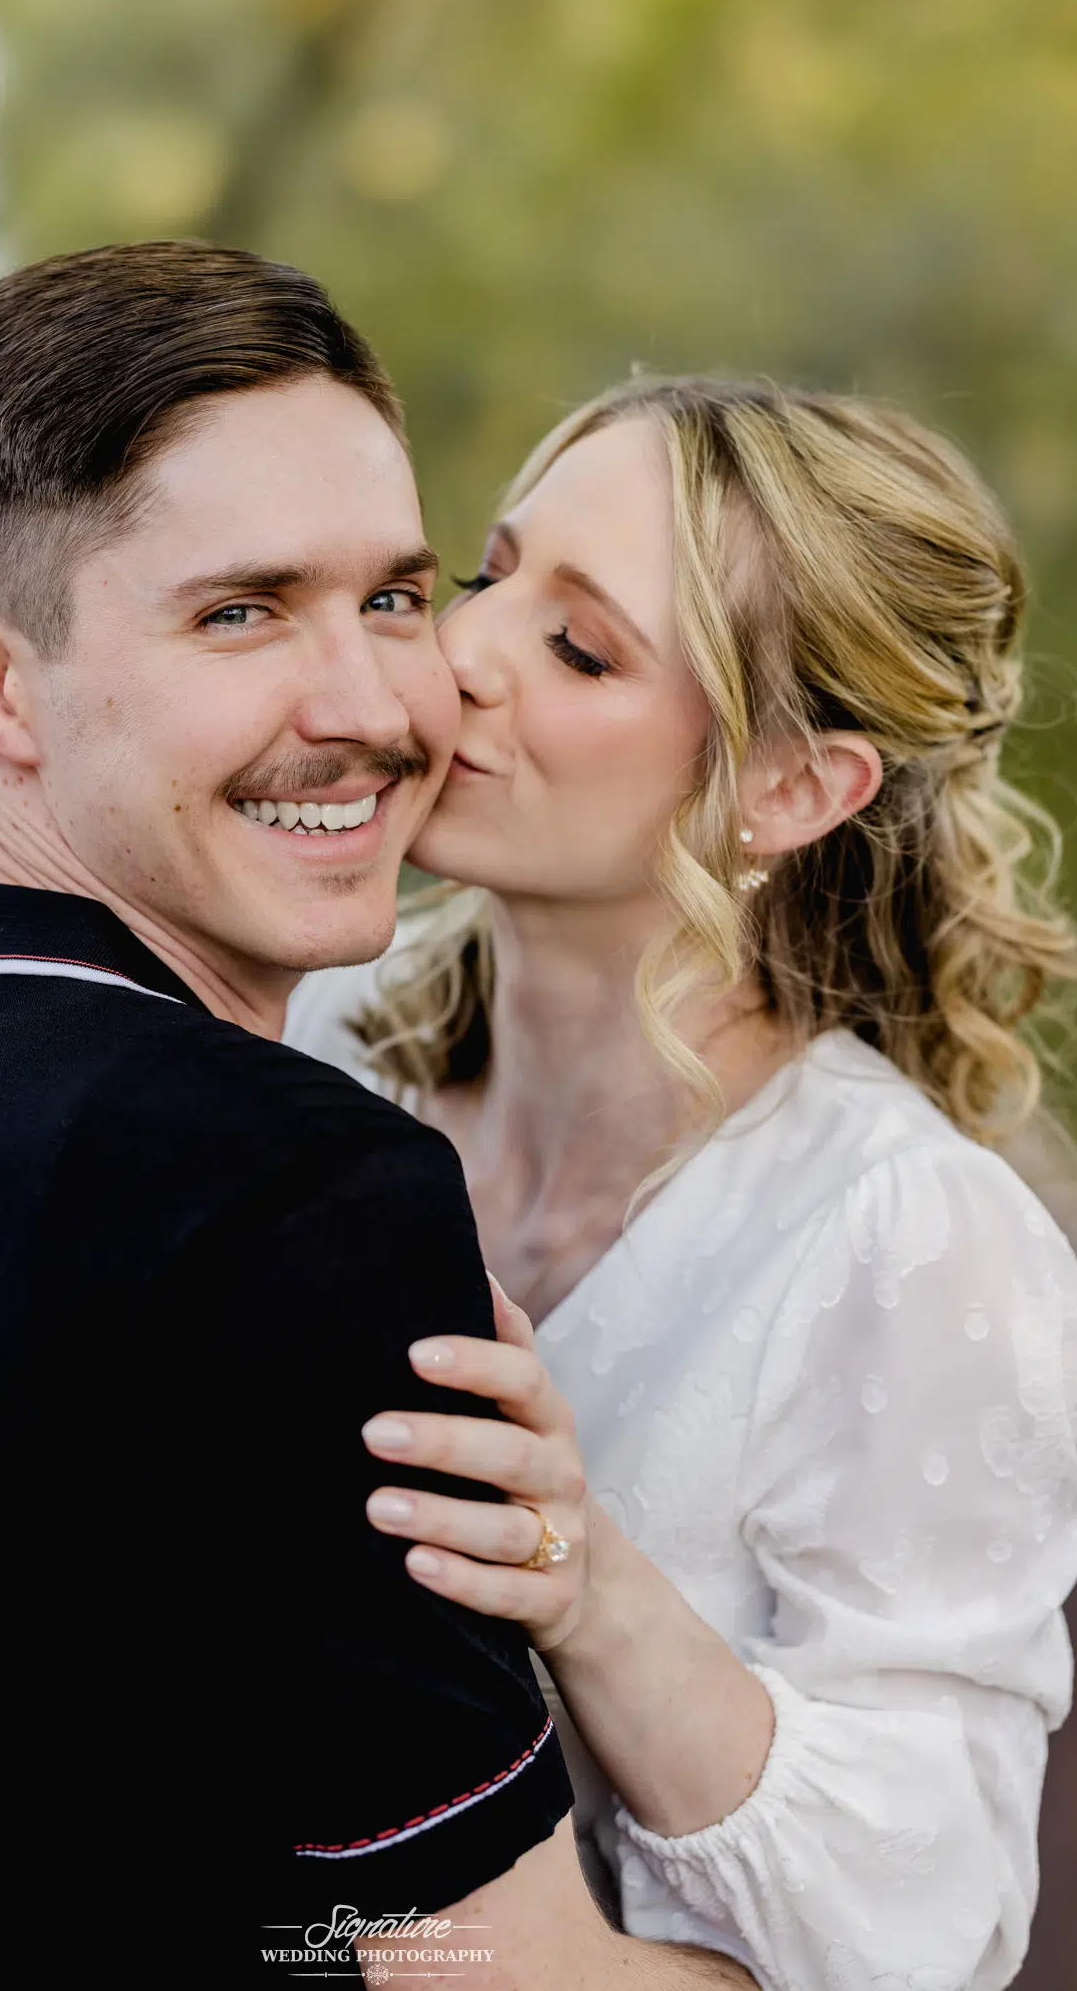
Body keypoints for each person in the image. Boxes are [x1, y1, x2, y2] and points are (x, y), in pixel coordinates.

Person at [0, 249, 756, 1989]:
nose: (374, 710)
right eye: (241, 613)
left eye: (397, 598)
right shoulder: (307, 1187)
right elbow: (464, 1977)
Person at [286, 376, 1077, 1989]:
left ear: (793, 788)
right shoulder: (319, 1041)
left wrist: (585, 1583)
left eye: (581, 648)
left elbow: (936, 1914)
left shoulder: (905, 1233)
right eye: (488, 575)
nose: (463, 657)